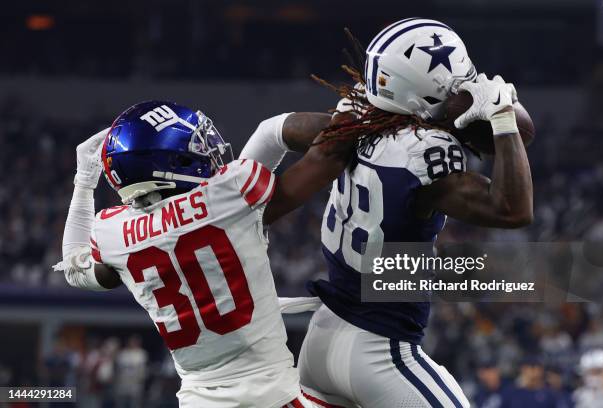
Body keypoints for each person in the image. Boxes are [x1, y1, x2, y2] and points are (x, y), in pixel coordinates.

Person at [262, 18, 532, 407]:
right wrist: (502, 116)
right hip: (380, 353)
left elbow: (278, 130)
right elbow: (513, 210)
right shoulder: (425, 153)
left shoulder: (355, 118)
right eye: (457, 85)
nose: (468, 88)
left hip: (321, 340)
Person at [54, 101, 352, 408]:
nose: (209, 151)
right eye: (196, 146)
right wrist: (364, 115)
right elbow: (328, 151)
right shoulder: (230, 192)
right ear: (173, 161)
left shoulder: (111, 233)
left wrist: (84, 180)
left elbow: (74, 270)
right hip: (273, 396)